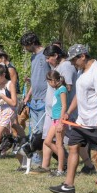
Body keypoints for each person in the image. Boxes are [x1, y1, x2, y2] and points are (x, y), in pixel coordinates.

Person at [48, 45, 97, 193]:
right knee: (73, 147)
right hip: (81, 120)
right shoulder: (81, 71)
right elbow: (78, 95)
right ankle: (68, 185)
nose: (72, 63)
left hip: (96, 121)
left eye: (74, 59)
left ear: (83, 56)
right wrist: (68, 112)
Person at [36, 44, 76, 174]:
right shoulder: (57, 68)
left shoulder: (66, 67)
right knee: (48, 141)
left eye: (49, 58)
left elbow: (68, 89)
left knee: (62, 143)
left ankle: (63, 166)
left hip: (60, 116)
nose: (47, 61)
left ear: (56, 55)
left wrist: (63, 117)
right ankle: (61, 160)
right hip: (52, 114)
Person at [20, 32, 49, 166]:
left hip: (45, 99)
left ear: (31, 43)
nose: (25, 49)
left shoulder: (45, 55)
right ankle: (38, 157)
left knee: (42, 131)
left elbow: (51, 76)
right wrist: (27, 97)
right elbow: (36, 80)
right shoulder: (33, 58)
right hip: (35, 100)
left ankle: (43, 160)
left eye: (25, 46)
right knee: (35, 130)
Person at [0, 47, 26, 139]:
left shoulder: (10, 68)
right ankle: (13, 140)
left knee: (15, 123)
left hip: (10, 96)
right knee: (12, 124)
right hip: (4, 97)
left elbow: (12, 84)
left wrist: (7, 98)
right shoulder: (2, 69)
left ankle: (20, 139)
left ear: (3, 58)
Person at [42, 70, 67, 177]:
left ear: (53, 80)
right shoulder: (57, 89)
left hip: (59, 120)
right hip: (54, 119)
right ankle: (64, 159)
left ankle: (60, 169)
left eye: (49, 82)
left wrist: (61, 122)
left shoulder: (62, 89)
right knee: (47, 141)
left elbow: (64, 106)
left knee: (59, 144)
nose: (49, 84)